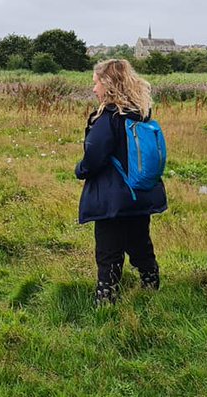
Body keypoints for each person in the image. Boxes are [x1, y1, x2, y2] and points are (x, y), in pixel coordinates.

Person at [75, 59, 167, 305]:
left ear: (109, 84)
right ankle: (151, 283)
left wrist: (80, 169)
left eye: (96, 84)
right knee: (139, 241)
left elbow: (94, 156)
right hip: (140, 192)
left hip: (112, 197)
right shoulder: (141, 113)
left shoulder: (109, 117)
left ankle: (105, 298)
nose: (94, 89)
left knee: (108, 249)